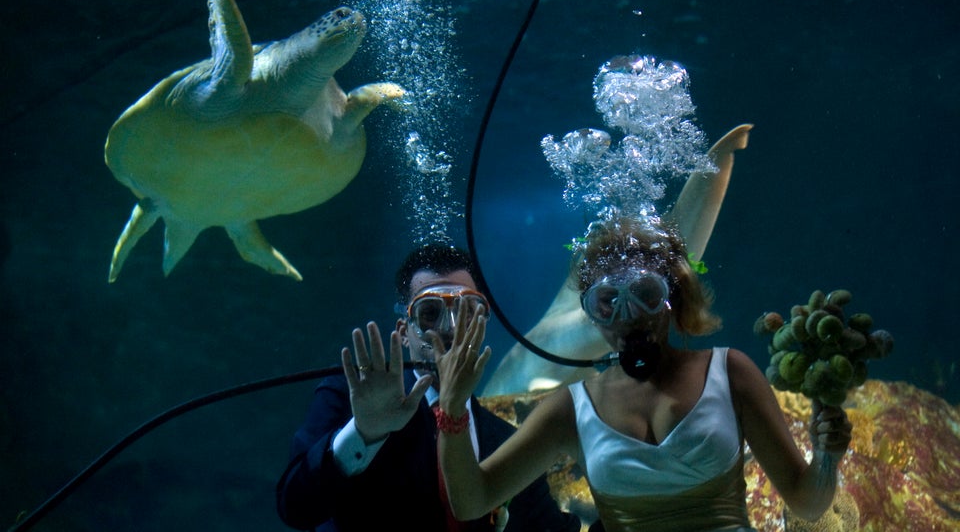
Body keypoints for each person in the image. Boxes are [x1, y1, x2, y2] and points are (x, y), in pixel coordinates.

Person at [434, 217, 853, 532]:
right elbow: (473, 502)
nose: (627, 316)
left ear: (673, 296)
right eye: (607, 302)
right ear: (590, 314)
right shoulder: (571, 409)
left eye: (645, 294)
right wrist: (452, 409)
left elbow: (808, 503)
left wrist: (827, 457)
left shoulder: (730, 373)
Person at [276, 245, 581, 532]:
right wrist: (364, 433)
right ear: (404, 332)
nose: (450, 329)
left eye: (467, 312)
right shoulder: (352, 399)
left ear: (483, 325)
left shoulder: (505, 441)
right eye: (430, 313)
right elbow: (295, 508)